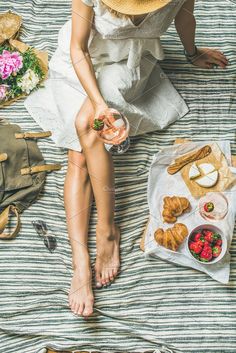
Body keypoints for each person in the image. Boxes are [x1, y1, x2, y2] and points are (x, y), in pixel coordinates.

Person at [24, 0, 228, 318]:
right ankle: (91, 250)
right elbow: (78, 48)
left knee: (83, 135)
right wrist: (98, 104)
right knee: (84, 133)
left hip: (127, 67)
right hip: (80, 63)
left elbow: (186, 18)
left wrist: (192, 53)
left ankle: (98, 242)